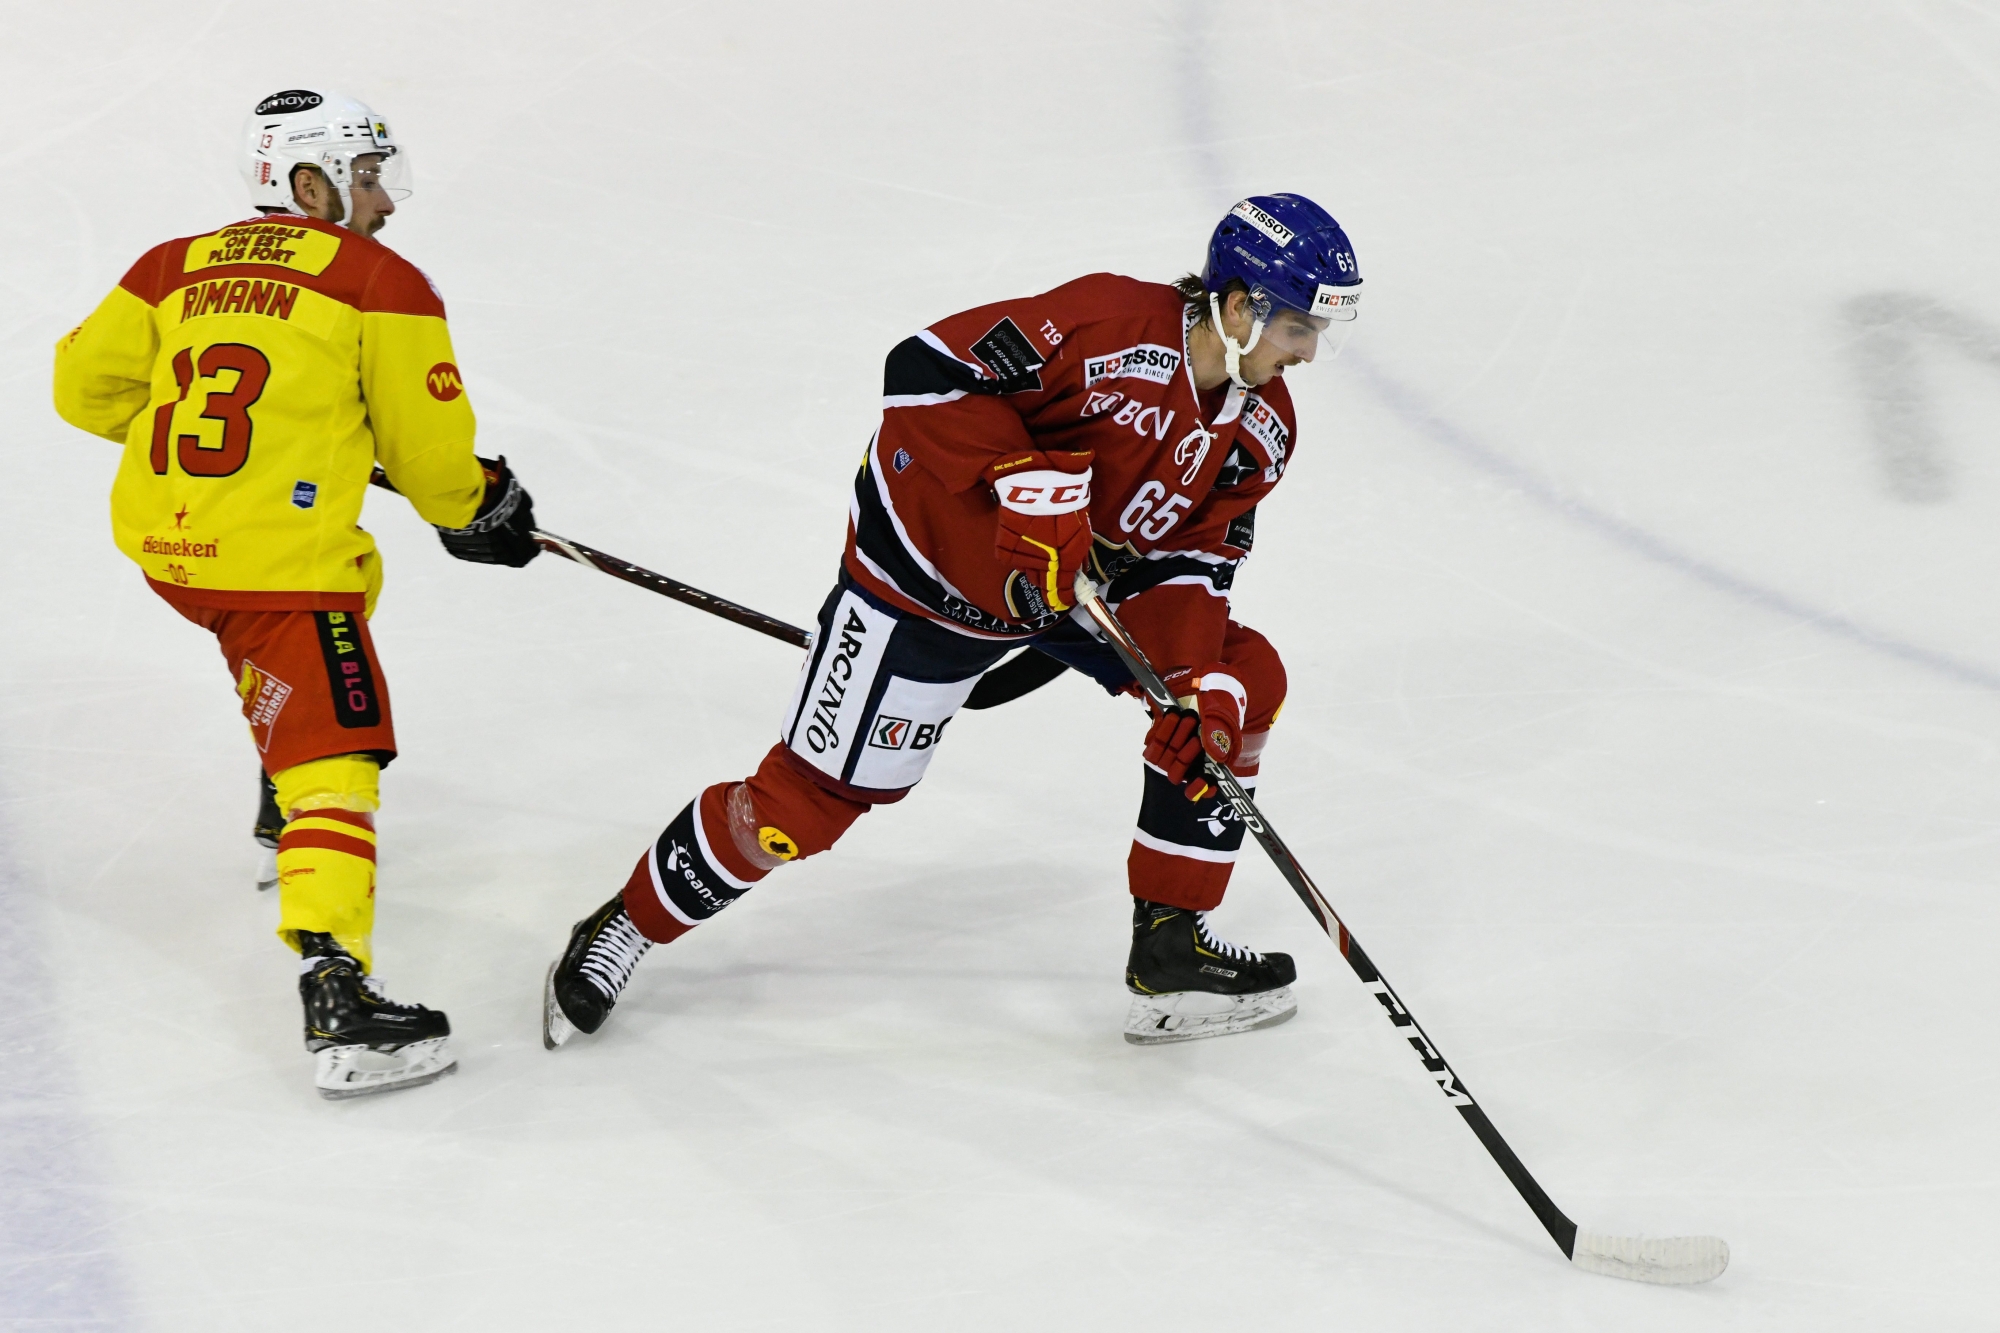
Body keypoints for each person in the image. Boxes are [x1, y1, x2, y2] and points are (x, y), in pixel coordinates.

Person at [541, 194, 1360, 1049]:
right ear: (1238, 306)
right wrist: (1018, 480)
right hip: (927, 577)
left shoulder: (1260, 429)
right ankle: (628, 923)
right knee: (801, 809)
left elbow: (1189, 562)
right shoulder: (1104, 325)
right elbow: (922, 368)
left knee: (1240, 689)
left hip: (1071, 589)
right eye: (1299, 328)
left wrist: (1193, 692)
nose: (1306, 354)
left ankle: (1171, 948)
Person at [52, 88, 541, 1098]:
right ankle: (340, 996)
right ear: (308, 183)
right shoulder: (377, 279)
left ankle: (282, 808)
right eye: (368, 180)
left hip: (170, 549)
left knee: (278, 644)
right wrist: (479, 505)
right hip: (274, 564)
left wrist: (249, 440)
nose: (386, 204)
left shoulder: (170, 265)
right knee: (340, 739)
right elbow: (431, 460)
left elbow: (82, 389)